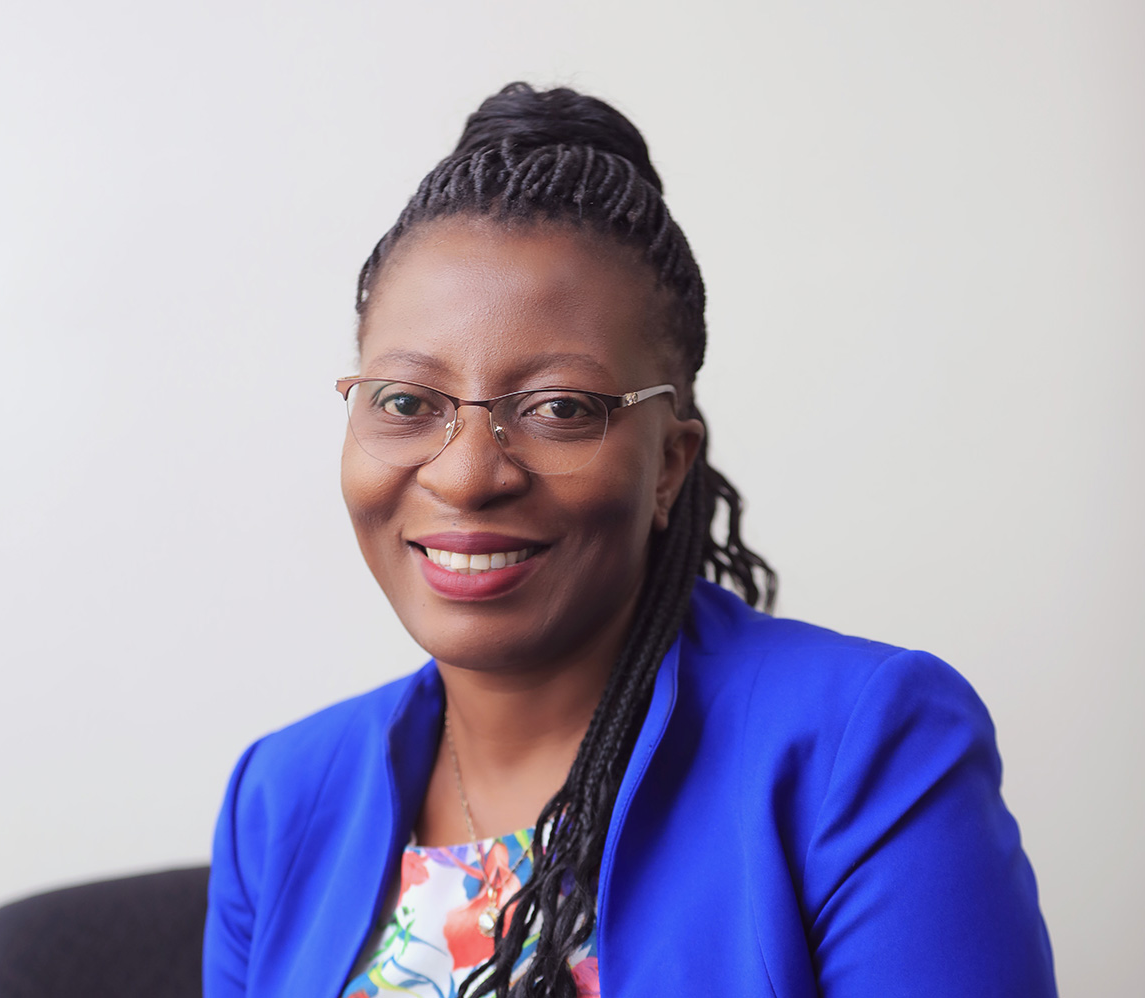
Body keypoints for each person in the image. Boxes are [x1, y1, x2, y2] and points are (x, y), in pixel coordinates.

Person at [203, 83, 1057, 998]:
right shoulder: (280, 798)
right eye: (407, 402)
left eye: (561, 408)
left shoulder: (865, 752)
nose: (466, 476)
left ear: (669, 466)